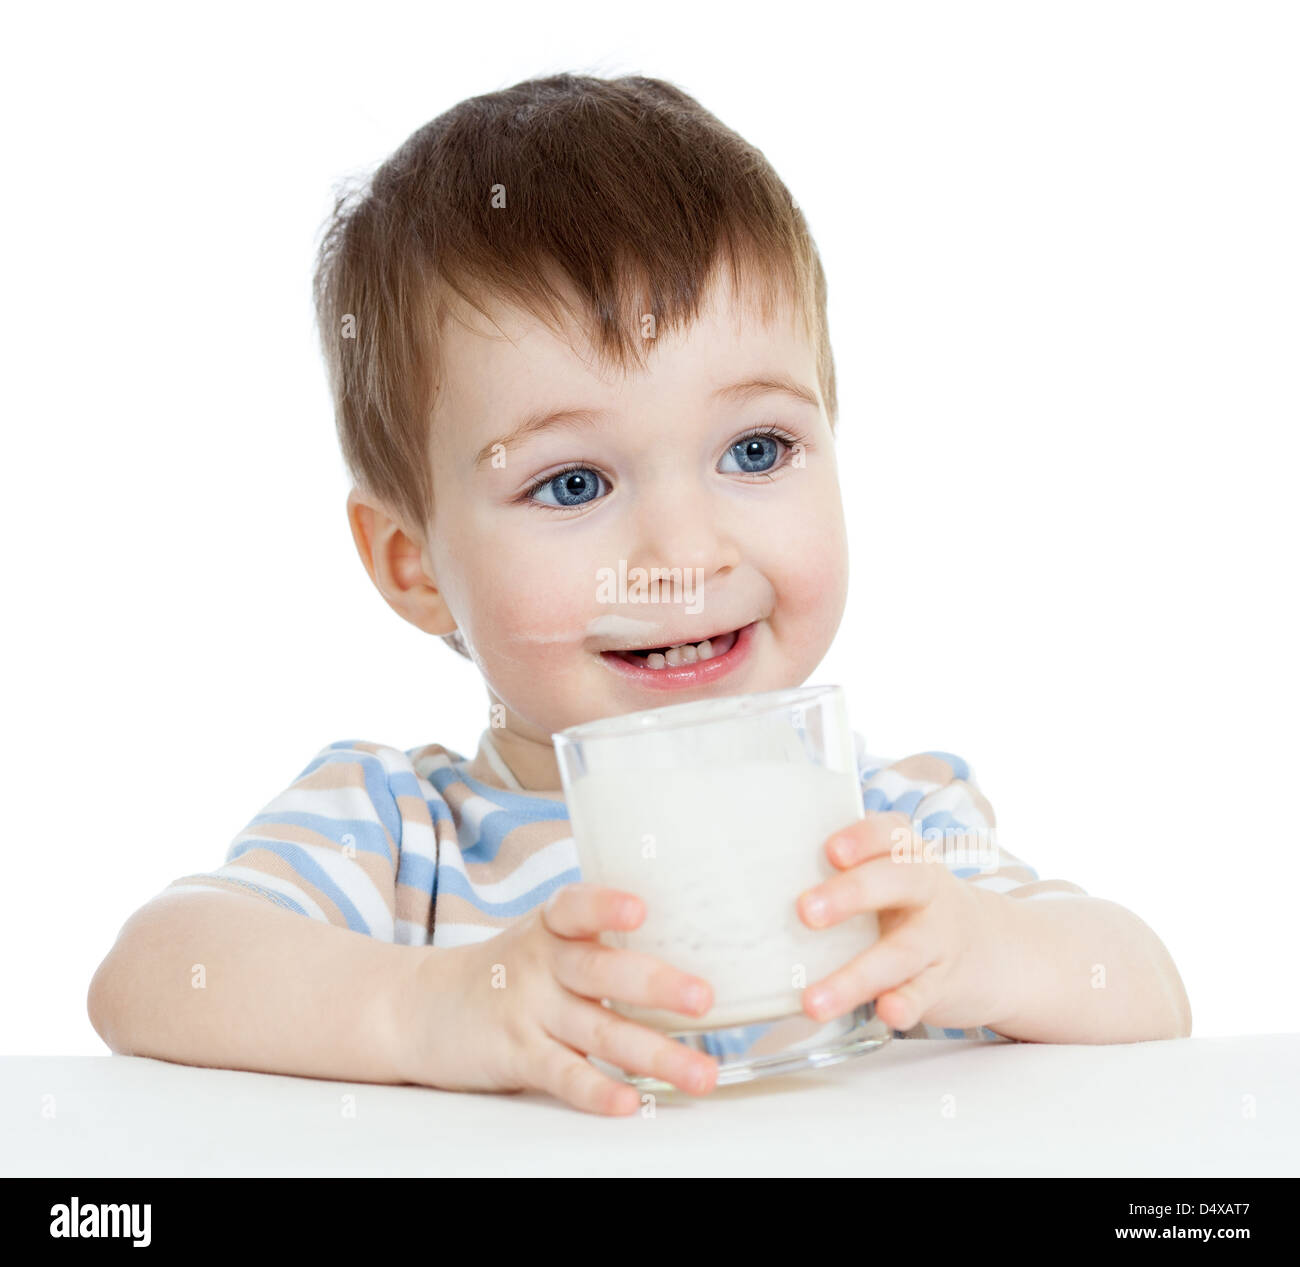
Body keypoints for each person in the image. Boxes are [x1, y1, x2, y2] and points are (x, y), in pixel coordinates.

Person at [87, 73, 1191, 1117]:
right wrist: (431, 1010)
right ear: (412, 565)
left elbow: (1141, 988)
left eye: (756, 450)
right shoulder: (398, 840)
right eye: (573, 482)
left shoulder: (883, 835)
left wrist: (984, 951)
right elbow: (150, 974)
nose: (682, 551)